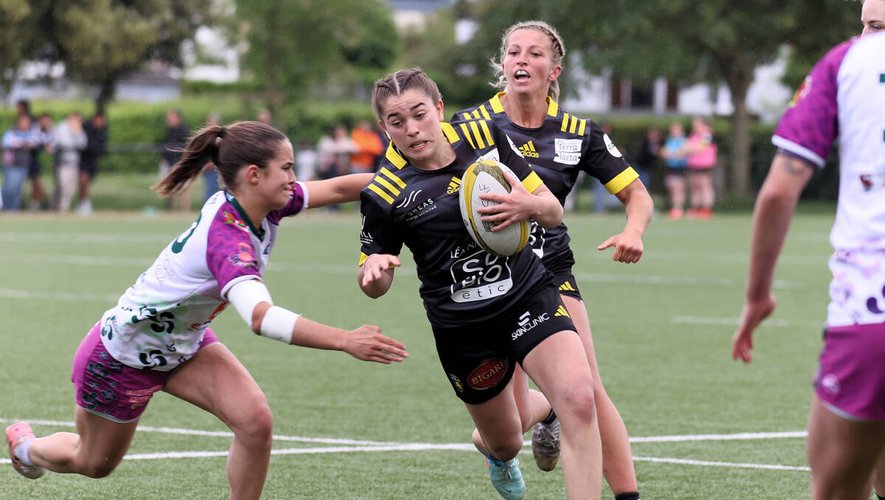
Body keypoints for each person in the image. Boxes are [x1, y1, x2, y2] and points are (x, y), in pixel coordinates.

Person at [5, 120, 408, 499]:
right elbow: (261, 317)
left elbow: (338, 189)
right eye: (286, 168)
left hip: (185, 344)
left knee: (255, 422)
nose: (293, 177)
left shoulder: (264, 202)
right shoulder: (228, 237)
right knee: (93, 463)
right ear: (254, 175)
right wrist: (345, 340)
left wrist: (410, 181)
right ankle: (26, 448)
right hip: (121, 357)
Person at [359, 68, 601, 500]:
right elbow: (373, 284)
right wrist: (375, 270)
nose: (412, 129)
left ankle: (558, 412)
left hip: (527, 293)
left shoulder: (484, 138)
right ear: (384, 127)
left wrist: (528, 205)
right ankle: (510, 444)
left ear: (438, 108)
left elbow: (552, 211)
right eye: (397, 121)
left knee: (580, 400)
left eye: (419, 114)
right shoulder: (385, 191)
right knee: (506, 440)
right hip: (463, 326)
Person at [452, 21, 652, 500]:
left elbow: (638, 195)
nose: (522, 60)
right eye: (514, 52)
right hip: (489, 279)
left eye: (535, 53)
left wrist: (633, 231)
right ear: (503, 64)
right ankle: (540, 415)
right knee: (507, 427)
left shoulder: (578, 133)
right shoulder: (468, 126)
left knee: (588, 391)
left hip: (549, 273)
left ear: (554, 69)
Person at [731, 31, 885, 500]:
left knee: (837, 484)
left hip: (872, 309)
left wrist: (757, 294)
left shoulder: (848, 62)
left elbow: (779, 191)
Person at [52, 112, 88, 212]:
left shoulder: (79, 129)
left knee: (71, 188)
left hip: (74, 163)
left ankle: (63, 209)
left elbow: (83, 144)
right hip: (62, 163)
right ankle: (58, 208)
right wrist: (74, 134)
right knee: (62, 187)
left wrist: (76, 133)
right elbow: (63, 143)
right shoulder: (62, 127)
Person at [2, 114, 38, 211]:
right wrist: (23, 143)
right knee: (9, 188)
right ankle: (5, 208)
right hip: (12, 165)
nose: (26, 124)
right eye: (24, 122)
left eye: (27, 122)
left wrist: (23, 143)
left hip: (24, 164)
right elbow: (6, 143)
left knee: (18, 189)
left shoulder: (31, 133)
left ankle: (14, 210)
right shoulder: (11, 132)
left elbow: (34, 143)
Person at [683, 116, 717, 219]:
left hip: (704, 166)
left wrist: (690, 149)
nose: (694, 126)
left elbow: (701, 148)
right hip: (694, 165)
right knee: (695, 188)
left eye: (697, 123)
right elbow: (685, 147)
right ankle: (695, 209)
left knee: (705, 187)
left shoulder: (707, 135)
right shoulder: (694, 136)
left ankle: (706, 209)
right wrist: (691, 148)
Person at [159, 109, 191, 212]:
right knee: (170, 187)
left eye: (171, 117)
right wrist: (163, 158)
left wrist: (180, 163)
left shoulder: (184, 131)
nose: (168, 119)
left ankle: (185, 210)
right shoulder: (168, 131)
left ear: (178, 118)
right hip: (169, 163)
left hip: (180, 163)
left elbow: (185, 148)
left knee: (183, 187)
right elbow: (165, 146)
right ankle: (171, 210)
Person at [77, 112, 108, 216]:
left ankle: (83, 203)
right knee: (83, 182)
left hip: (93, 162)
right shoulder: (86, 127)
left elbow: (102, 150)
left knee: (85, 184)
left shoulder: (102, 132)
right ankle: (85, 204)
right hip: (83, 161)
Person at [660, 121, 688, 219]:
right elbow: (663, 152)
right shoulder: (670, 140)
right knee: (671, 188)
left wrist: (671, 154)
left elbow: (682, 153)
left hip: (679, 169)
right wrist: (671, 154)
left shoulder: (683, 140)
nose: (673, 132)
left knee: (678, 189)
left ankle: (679, 208)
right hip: (669, 168)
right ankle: (674, 208)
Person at [28, 112, 55, 210]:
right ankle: (47, 202)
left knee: (36, 183)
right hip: (27, 159)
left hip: (35, 160)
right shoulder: (33, 128)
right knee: (36, 183)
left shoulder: (49, 131)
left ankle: (35, 204)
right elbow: (34, 142)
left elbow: (51, 145)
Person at [201, 112, 221, 203]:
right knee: (209, 192)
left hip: (219, 168)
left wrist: (214, 164)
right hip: (208, 170)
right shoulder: (205, 138)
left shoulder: (220, 137)